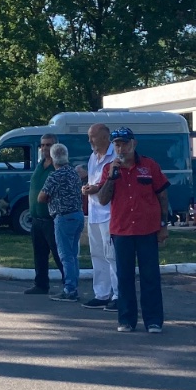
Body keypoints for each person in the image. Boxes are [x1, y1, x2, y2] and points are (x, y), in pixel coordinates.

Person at [95, 126, 170, 333]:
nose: (121, 149)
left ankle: (153, 320)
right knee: (124, 277)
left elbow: (162, 196)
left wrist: (163, 225)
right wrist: (111, 177)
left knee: (150, 276)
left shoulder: (149, 165)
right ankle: (126, 319)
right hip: (122, 231)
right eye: (117, 145)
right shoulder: (109, 169)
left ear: (133, 144)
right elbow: (102, 199)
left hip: (147, 230)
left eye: (124, 144)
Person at [80, 122, 119, 311]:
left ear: (104, 137)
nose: (90, 140)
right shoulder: (93, 157)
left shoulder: (115, 155)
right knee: (97, 254)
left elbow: (115, 183)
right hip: (94, 212)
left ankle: (119, 295)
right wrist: (87, 187)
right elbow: (93, 181)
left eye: (92, 137)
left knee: (112, 256)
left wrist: (95, 188)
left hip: (111, 213)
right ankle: (101, 294)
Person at [40, 143, 84, 301]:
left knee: (65, 255)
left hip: (63, 217)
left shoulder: (55, 176)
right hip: (78, 215)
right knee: (73, 254)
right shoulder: (74, 173)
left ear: (53, 159)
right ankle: (74, 286)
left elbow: (41, 197)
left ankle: (69, 289)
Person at [24, 132, 62, 296]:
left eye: (49, 144)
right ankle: (41, 284)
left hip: (52, 218)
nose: (45, 148)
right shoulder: (40, 164)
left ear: (56, 146)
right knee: (39, 254)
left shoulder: (58, 166)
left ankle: (69, 285)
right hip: (36, 218)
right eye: (43, 145)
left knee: (59, 254)